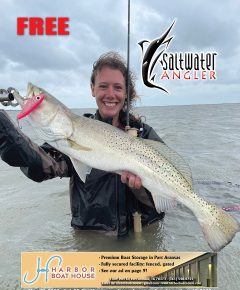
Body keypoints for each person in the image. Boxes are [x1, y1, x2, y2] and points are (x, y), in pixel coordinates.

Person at [0, 52, 165, 236]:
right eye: (103, 86)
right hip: (92, 240)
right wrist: (4, 127)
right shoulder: (71, 135)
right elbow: (39, 167)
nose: (110, 94)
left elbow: (163, 205)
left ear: (126, 93)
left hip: (142, 237)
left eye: (118, 87)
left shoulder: (145, 135)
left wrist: (140, 189)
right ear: (92, 88)